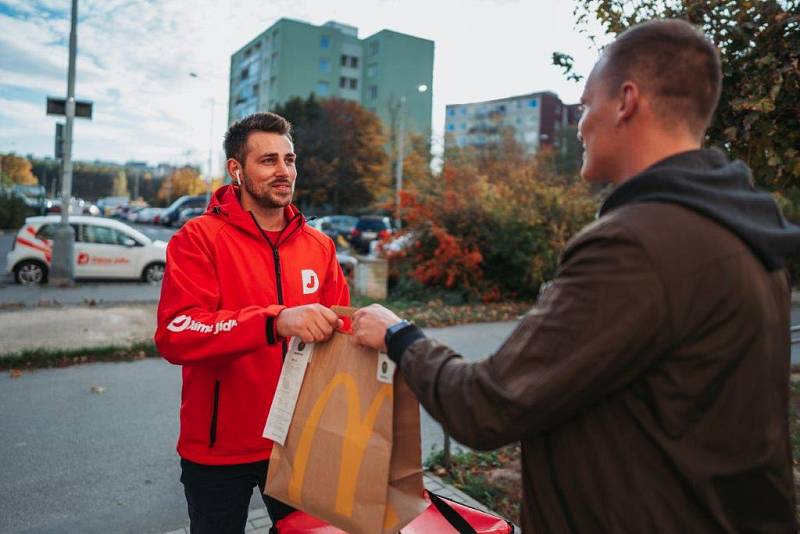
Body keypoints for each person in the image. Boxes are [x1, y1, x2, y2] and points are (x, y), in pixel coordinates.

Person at [353, 19, 799, 533]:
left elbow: (486, 406)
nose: (580, 124)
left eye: (586, 106)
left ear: (626, 101)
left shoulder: (636, 244)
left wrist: (399, 336)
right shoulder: (746, 236)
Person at [155, 112, 349, 533]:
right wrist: (274, 321)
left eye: (290, 159)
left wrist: (375, 330)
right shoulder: (198, 238)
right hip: (218, 451)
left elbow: (340, 336)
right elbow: (176, 333)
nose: (284, 172)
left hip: (299, 444)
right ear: (236, 170)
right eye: (268, 161)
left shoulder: (319, 246)